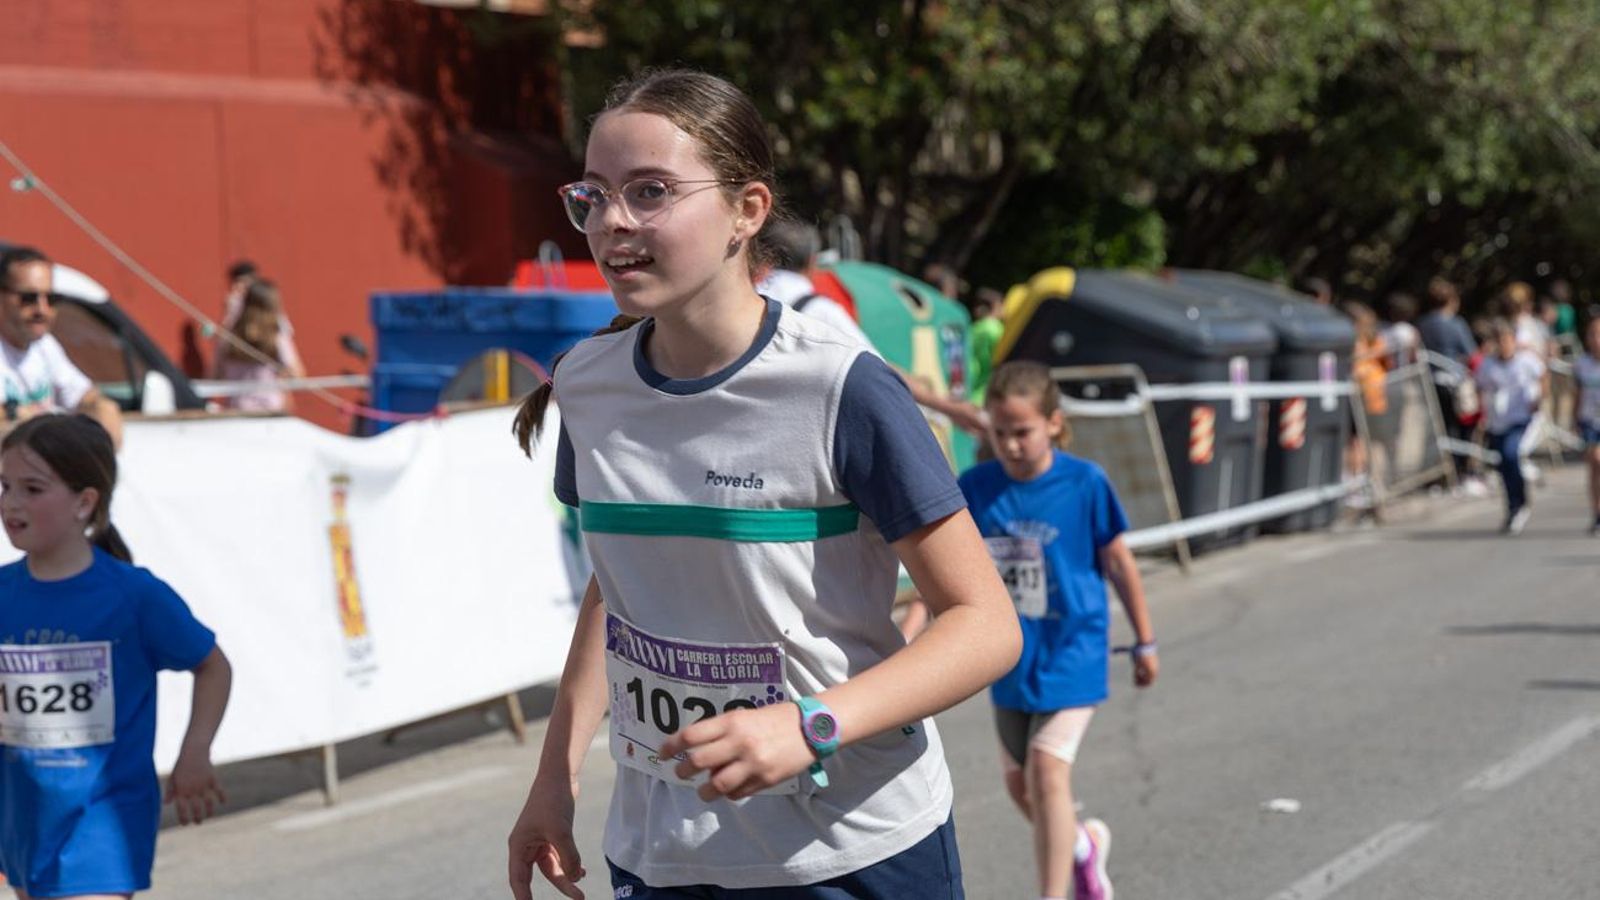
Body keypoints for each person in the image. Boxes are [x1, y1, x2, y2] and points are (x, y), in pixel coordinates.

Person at [505, 70, 1021, 900]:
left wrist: (813, 725)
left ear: (748, 210)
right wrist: (554, 779)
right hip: (662, 854)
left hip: (851, 849)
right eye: (594, 195)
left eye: (651, 191)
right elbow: (620, 587)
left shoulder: (841, 387)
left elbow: (986, 624)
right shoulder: (588, 386)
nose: (612, 222)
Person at [0, 414, 232, 898]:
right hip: (26, 824)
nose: (11, 503)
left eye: (32, 489)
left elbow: (212, 665)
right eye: (4, 486)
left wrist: (195, 750)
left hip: (103, 825)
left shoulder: (133, 596)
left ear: (85, 502)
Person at [959, 360, 1157, 900]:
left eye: (1022, 432)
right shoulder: (976, 488)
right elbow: (950, 573)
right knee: (1019, 784)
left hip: (1074, 646)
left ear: (1053, 423)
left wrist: (1145, 639)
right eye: (1000, 433)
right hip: (1010, 654)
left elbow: (1117, 560)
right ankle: (1082, 849)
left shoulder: (1085, 482)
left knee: (1047, 770)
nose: (1011, 445)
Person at [756, 221, 988, 437]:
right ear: (812, 262)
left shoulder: (743, 300)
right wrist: (947, 407)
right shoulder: (821, 310)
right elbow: (876, 369)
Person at [0, 247, 124, 448]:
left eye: (51, 299)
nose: (42, 309)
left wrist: (101, 407)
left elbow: (83, 396)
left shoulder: (45, 346)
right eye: (28, 298)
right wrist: (14, 413)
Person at [1476, 319, 1545, 534]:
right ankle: (1514, 505)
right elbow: (1480, 387)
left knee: (1511, 453)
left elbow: (1543, 375)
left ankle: (1519, 501)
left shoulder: (1526, 361)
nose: (1503, 345)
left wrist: (1538, 399)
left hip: (1521, 418)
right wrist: (1481, 412)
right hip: (1498, 421)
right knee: (1504, 464)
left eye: (1506, 340)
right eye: (1499, 341)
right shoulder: (1488, 365)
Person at [211, 279, 294, 413]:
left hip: (237, 409)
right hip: (271, 410)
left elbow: (214, 375)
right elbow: (296, 372)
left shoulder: (227, 336)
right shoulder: (275, 336)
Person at [216, 261, 305, 386]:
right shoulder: (231, 327)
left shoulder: (274, 329)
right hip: (242, 399)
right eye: (236, 283)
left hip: (269, 398)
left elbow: (294, 370)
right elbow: (217, 369)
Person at [1575, 318, 1600, 535]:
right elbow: (1578, 392)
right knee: (1594, 464)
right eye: (1592, 334)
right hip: (1590, 420)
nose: (1596, 339)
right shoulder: (1582, 363)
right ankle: (1597, 512)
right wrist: (1575, 419)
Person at [966, 288, 1005, 407]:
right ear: (996, 305)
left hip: (970, 390)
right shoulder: (995, 329)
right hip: (984, 394)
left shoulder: (974, 328)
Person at [1380, 292, 1421, 368]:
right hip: (1405, 372)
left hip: (1387, 374)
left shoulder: (1381, 329)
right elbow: (1414, 356)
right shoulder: (1410, 330)